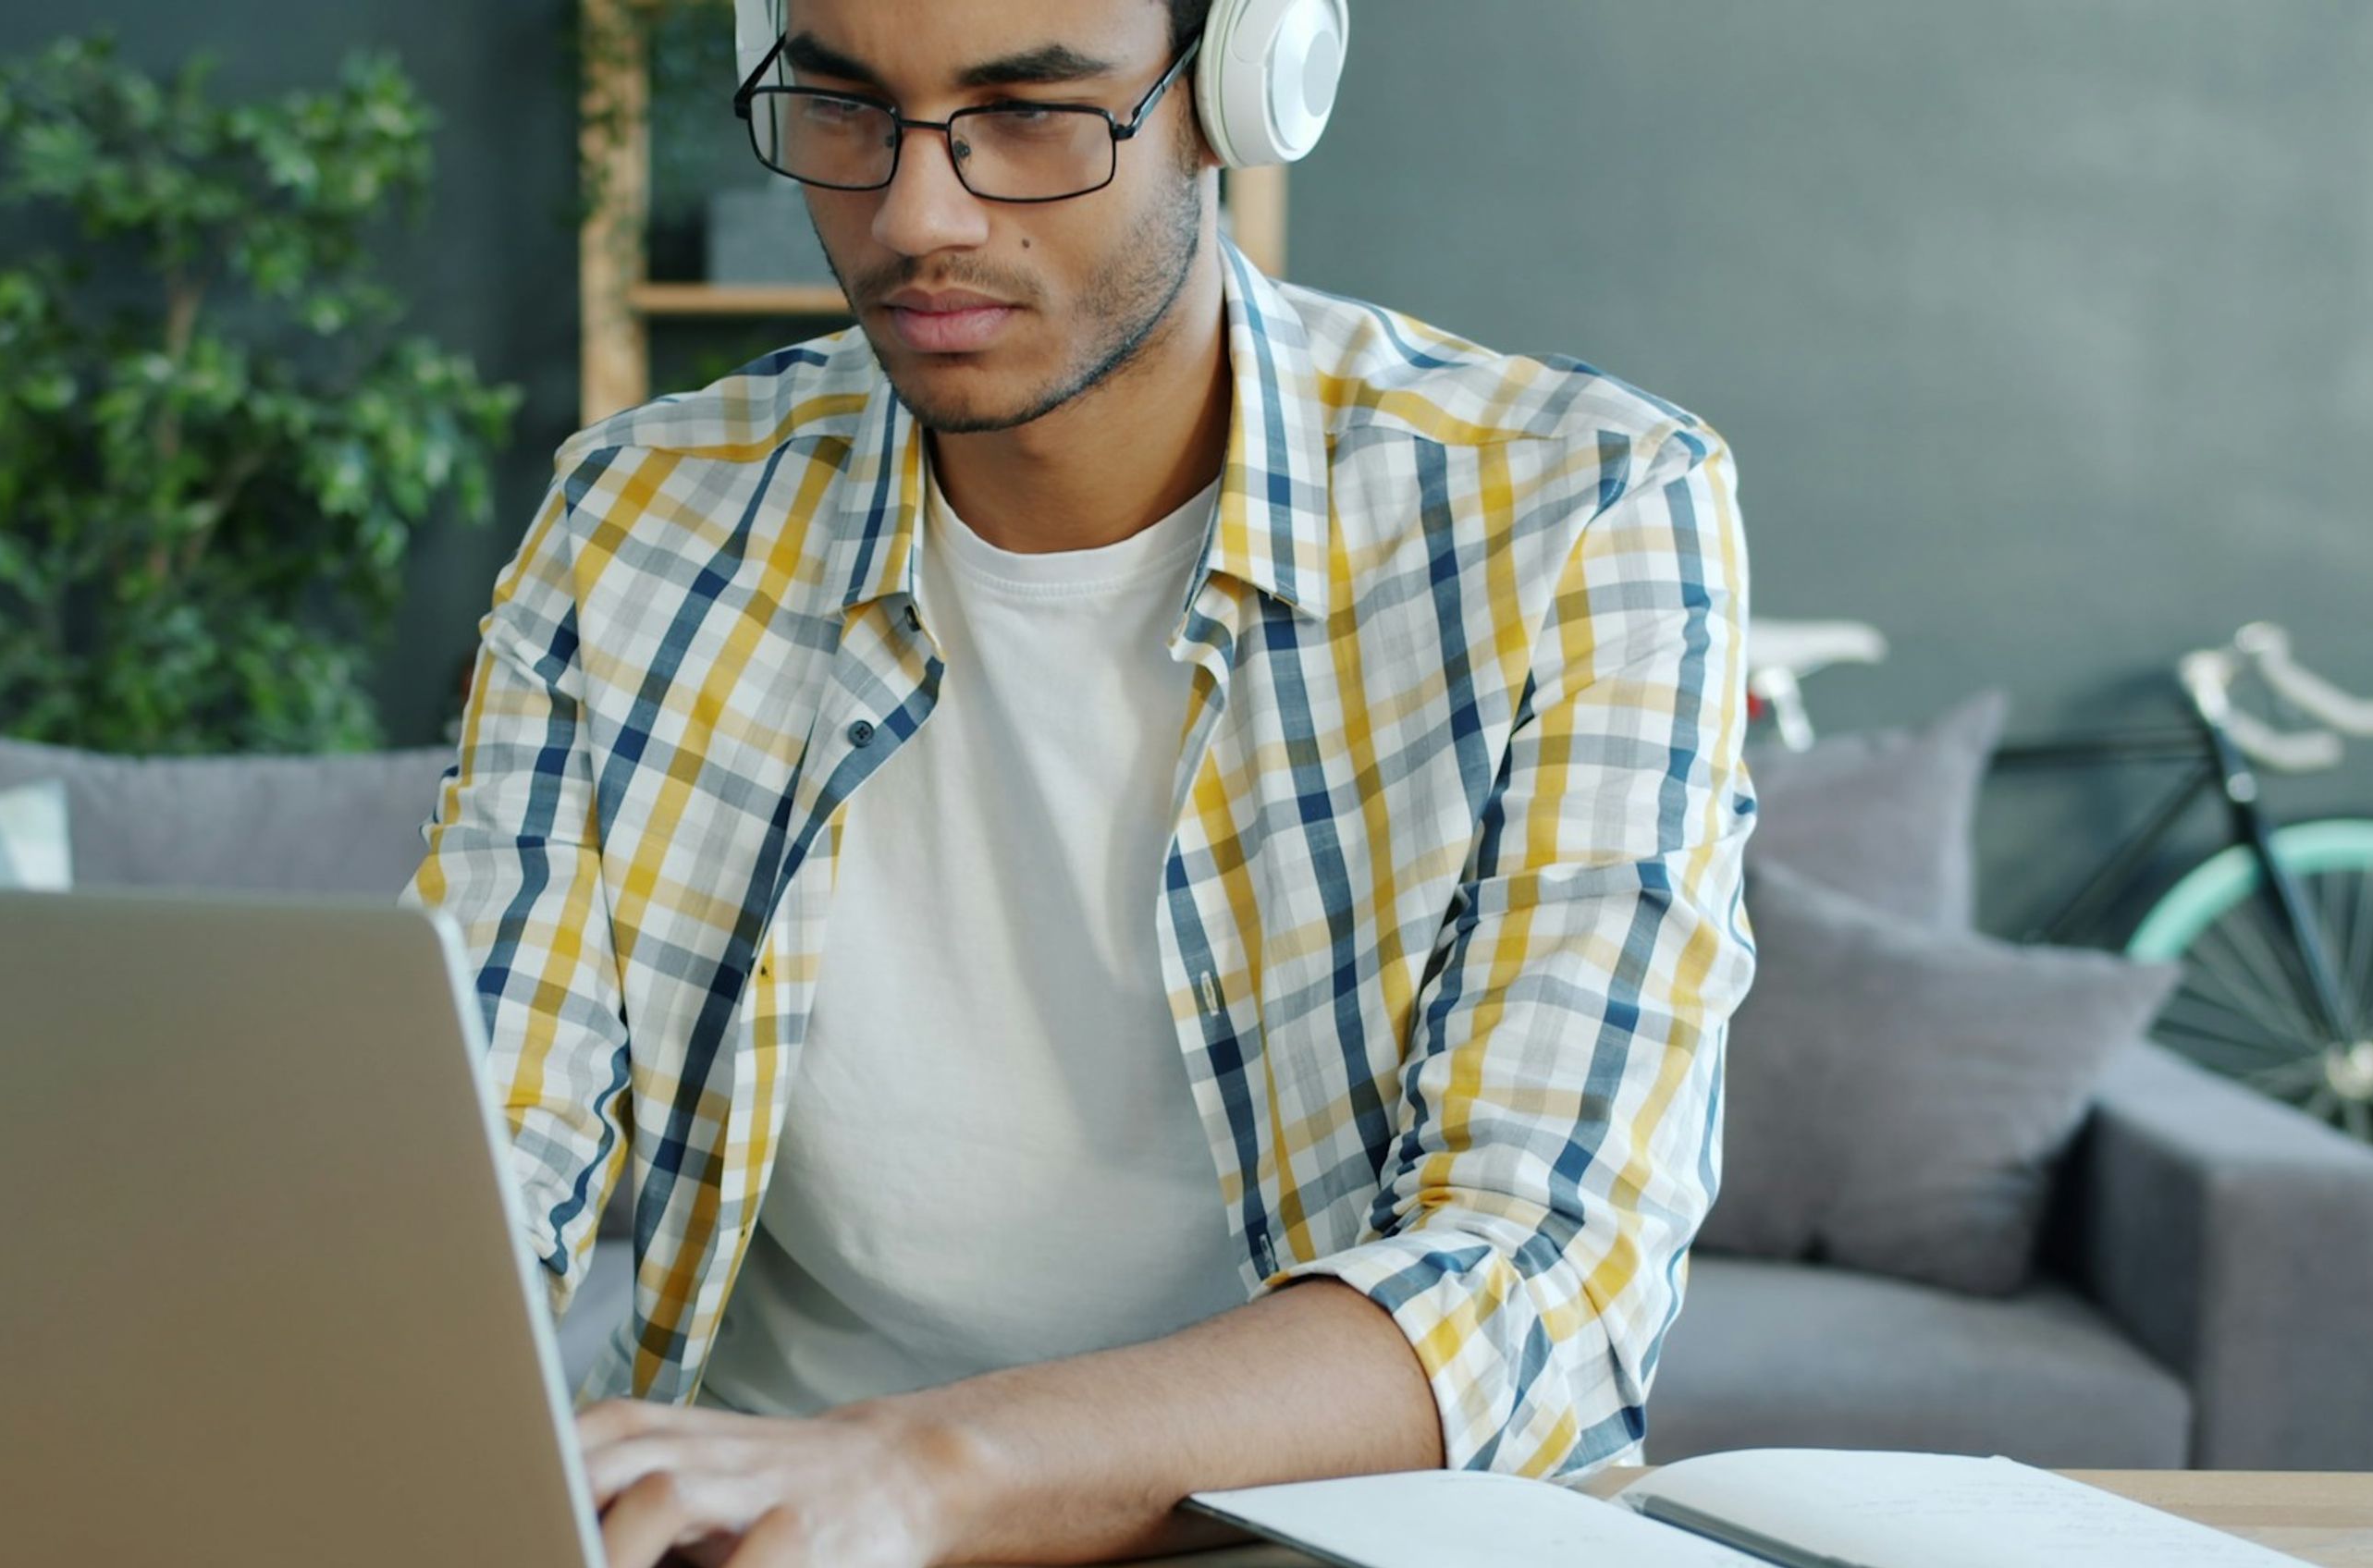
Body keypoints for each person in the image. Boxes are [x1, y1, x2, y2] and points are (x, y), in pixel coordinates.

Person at [410, 2, 1758, 1562]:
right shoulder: (642, 516)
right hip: (765, 1530)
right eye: (846, 109)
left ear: (1237, 90)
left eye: (1030, 114)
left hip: (1294, 1545)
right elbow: (470, 1162)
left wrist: (921, 1470)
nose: (915, 216)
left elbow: (1539, 1279)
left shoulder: (1577, 512)